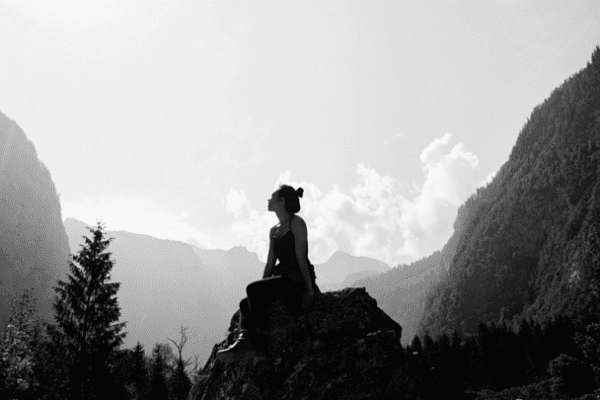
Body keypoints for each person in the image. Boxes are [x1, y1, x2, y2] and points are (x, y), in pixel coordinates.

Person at [216, 184, 321, 363]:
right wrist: (260, 287)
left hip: (295, 281)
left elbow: (301, 258)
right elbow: (271, 262)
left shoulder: (297, 223)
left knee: (252, 291)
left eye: (272, 198)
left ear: (281, 201)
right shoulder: (274, 230)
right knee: (246, 302)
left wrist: (309, 289)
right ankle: (244, 342)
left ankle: (259, 344)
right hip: (281, 279)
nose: (268, 200)